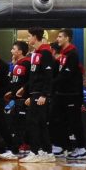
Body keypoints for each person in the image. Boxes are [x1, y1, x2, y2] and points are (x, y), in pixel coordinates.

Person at [19, 27, 56, 163]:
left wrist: (44, 95)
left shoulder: (45, 53)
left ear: (35, 37)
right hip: (34, 93)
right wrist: (25, 88)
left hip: (40, 94)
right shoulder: (36, 53)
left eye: (29, 36)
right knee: (39, 123)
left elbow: (48, 75)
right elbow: (35, 75)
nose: (27, 39)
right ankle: (47, 152)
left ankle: (34, 152)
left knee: (33, 122)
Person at [51, 28, 86, 160]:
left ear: (67, 38)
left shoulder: (72, 54)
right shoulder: (63, 54)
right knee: (59, 121)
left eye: (60, 36)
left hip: (72, 95)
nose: (58, 39)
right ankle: (61, 146)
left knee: (75, 122)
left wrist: (51, 83)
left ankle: (82, 148)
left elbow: (66, 74)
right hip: (62, 94)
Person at [0, 40, 30, 159]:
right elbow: (15, 82)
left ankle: (15, 150)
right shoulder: (16, 64)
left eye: (13, 49)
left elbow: (29, 81)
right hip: (15, 100)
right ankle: (14, 149)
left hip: (23, 100)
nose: (11, 51)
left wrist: (24, 90)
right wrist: (11, 92)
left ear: (20, 51)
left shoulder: (27, 63)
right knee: (14, 124)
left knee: (20, 126)